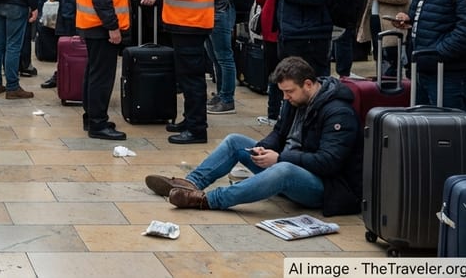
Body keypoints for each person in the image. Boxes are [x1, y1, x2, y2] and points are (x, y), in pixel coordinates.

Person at [145, 57, 361, 215]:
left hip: (323, 186)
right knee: (235, 141)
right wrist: (263, 147)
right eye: (283, 93)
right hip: (287, 161)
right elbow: (278, 133)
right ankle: (189, 184)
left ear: (308, 84)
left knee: (282, 170)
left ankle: (207, 200)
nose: (285, 98)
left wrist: (280, 158)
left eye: (289, 92)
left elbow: (328, 162)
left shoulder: (338, 112)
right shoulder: (297, 99)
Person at [142, 0, 215, 145]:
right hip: (184, 22)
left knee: (192, 79)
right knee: (186, 77)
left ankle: (196, 129)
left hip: (191, 23)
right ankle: (190, 119)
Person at [76, 0, 131, 139]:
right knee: (102, 76)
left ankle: (92, 117)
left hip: (92, 24)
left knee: (94, 72)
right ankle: (98, 123)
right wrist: (113, 26)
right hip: (100, 26)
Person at [253, 0, 287, 122]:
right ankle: (274, 113)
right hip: (273, 26)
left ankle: (274, 113)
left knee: (276, 72)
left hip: (274, 26)